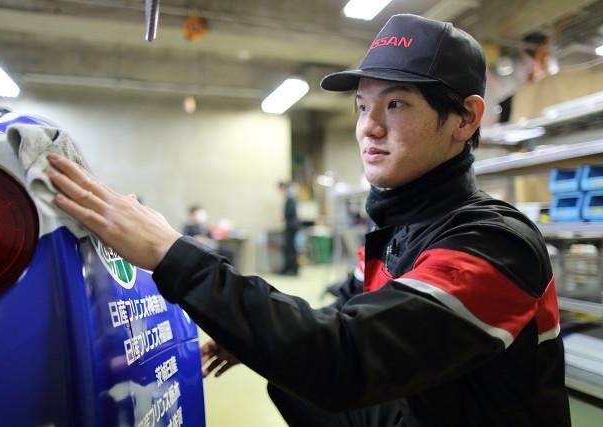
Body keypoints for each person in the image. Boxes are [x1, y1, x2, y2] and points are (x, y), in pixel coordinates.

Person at [45, 13, 571, 427]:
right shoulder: (400, 227)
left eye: (396, 105)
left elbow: (347, 355)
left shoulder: (491, 246)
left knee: (315, 370)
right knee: (291, 375)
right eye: (362, 106)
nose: (369, 128)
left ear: (466, 118)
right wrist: (255, 334)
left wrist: (172, 254)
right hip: (424, 409)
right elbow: (344, 310)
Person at [278, 181, 299, 276]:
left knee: (290, 248)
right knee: (289, 248)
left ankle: (291, 269)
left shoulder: (290, 198)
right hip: (291, 226)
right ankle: (290, 268)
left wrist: (284, 218)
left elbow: (290, 213)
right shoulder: (290, 198)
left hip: (291, 227)